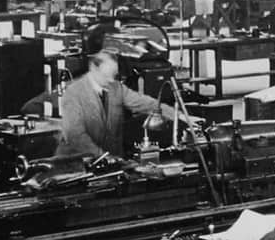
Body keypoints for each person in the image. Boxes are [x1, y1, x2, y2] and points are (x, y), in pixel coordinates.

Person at [55, 50, 183, 160]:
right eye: (107, 76)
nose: (111, 80)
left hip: (111, 162)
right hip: (76, 164)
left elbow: (145, 103)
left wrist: (179, 116)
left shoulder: (116, 87)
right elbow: (76, 136)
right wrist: (105, 157)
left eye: (114, 75)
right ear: (94, 68)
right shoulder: (73, 93)